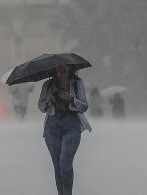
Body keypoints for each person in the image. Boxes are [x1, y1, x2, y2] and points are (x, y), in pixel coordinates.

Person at [38, 65, 92, 195]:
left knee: (65, 163)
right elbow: (41, 105)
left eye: (64, 70)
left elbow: (84, 106)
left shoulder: (77, 84)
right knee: (57, 166)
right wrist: (49, 102)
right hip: (52, 125)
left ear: (70, 71)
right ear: (54, 71)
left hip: (71, 125)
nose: (61, 73)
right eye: (58, 70)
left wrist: (72, 99)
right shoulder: (48, 85)